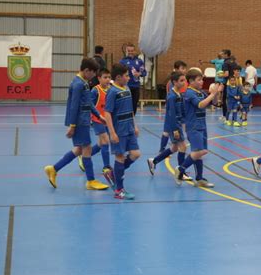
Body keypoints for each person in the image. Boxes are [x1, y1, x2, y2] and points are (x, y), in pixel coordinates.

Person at [44, 58, 109, 191]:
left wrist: (99, 116)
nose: (93, 77)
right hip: (80, 122)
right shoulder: (78, 84)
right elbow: (74, 106)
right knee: (86, 149)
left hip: (84, 120)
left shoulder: (83, 82)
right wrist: (72, 125)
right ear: (86, 71)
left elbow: (88, 103)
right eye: (92, 73)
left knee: (80, 149)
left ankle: (54, 169)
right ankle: (91, 181)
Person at [173, 69, 223, 188]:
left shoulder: (200, 92)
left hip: (202, 125)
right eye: (199, 80)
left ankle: (199, 178)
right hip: (194, 126)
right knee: (201, 151)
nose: (202, 82)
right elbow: (201, 105)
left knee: (199, 154)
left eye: (202, 79)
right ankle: (180, 169)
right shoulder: (189, 93)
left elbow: (215, 103)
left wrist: (216, 93)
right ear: (191, 81)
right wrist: (211, 94)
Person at [104, 63, 141, 200]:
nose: (129, 78)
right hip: (119, 130)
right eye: (126, 76)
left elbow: (130, 109)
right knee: (119, 157)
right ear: (118, 77)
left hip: (129, 128)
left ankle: (113, 174)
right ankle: (119, 190)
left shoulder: (127, 88)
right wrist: (112, 133)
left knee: (136, 154)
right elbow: (107, 113)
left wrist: (135, 125)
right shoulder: (112, 92)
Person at [147, 71, 190, 179]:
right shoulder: (172, 96)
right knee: (183, 146)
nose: (184, 82)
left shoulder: (179, 93)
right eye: (181, 80)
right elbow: (171, 115)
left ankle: (154, 161)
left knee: (175, 148)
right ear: (174, 82)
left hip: (178, 124)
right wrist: (175, 129)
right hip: (174, 125)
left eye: (184, 80)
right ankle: (181, 172)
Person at [78, 68, 114, 187]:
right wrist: (91, 118)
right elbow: (90, 105)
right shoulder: (95, 91)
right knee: (105, 142)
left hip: (107, 120)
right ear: (99, 78)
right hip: (97, 120)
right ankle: (106, 167)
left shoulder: (111, 90)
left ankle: (84, 156)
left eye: (109, 77)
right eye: (105, 77)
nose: (108, 79)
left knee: (100, 144)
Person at [160, 60, 188, 153]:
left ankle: (159, 157)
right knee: (167, 132)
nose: (184, 70)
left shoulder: (182, 81)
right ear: (176, 69)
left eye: (185, 68)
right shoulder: (172, 84)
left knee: (175, 145)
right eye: (182, 68)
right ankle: (162, 149)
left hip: (179, 112)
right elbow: (170, 98)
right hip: (173, 113)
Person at [119, 43, 147, 115]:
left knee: (134, 105)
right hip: (125, 87)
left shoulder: (139, 61)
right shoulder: (122, 61)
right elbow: (119, 74)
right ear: (126, 51)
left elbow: (144, 72)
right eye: (129, 51)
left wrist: (139, 74)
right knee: (125, 105)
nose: (130, 52)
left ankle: (132, 120)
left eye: (132, 50)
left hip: (136, 87)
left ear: (134, 51)